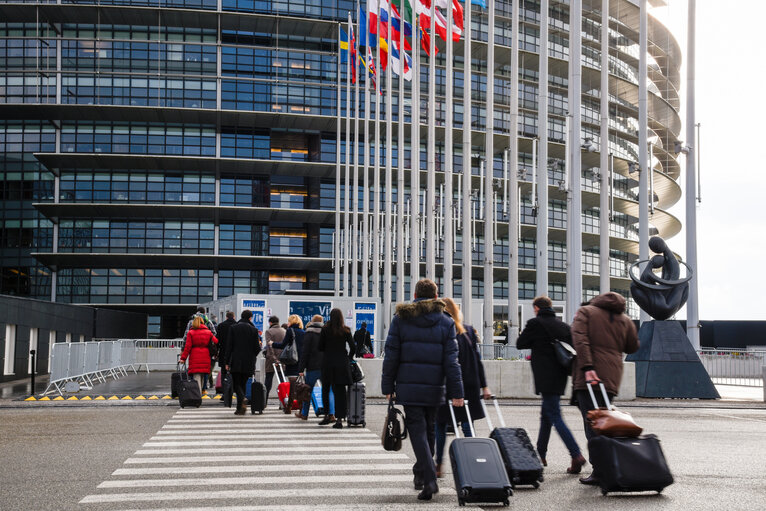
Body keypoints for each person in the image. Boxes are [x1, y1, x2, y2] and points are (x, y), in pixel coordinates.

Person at [381, 278, 464, 501]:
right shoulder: (446, 322)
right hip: (436, 387)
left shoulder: (401, 319)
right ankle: (421, 474)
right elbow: (452, 362)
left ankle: (428, 478)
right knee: (428, 429)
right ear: (436, 297)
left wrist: (388, 386)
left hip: (409, 386)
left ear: (415, 295)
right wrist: (457, 392)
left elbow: (391, 355)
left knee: (418, 430)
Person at [571, 292, 639, 485]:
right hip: (612, 376)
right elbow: (632, 347)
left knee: (594, 424)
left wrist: (588, 367)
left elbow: (579, 339)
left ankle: (601, 470)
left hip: (590, 376)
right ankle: (611, 465)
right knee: (605, 422)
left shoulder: (585, 312)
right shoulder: (625, 319)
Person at [516, 295, 586, 474]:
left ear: (537, 308)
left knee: (554, 415)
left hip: (544, 375)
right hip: (561, 374)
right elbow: (575, 347)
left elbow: (520, 343)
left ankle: (576, 454)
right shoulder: (562, 326)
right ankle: (540, 454)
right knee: (546, 415)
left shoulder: (534, 323)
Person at [434, 297, 492, 479]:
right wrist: (484, 386)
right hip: (470, 385)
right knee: (467, 425)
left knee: (440, 425)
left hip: (449, 384)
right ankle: (473, 461)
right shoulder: (468, 331)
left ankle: (438, 464)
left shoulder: (442, 329)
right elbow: (477, 361)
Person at [318, 308, 355, 429]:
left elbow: (320, 347)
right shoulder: (346, 330)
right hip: (341, 364)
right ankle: (339, 419)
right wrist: (348, 358)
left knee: (325, 390)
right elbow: (353, 347)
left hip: (327, 363)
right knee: (340, 392)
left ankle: (327, 416)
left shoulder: (325, 330)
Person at [224, 309, 263, 415]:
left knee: (236, 383)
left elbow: (229, 346)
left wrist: (226, 362)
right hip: (249, 361)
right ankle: (240, 408)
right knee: (243, 383)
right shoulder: (254, 330)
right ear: (250, 318)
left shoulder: (233, 328)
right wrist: (251, 355)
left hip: (235, 360)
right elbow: (257, 348)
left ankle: (241, 400)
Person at [179, 316, 218, 396]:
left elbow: (187, 347)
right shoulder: (208, 332)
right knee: (203, 377)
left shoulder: (191, 333)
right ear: (203, 323)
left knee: (196, 377)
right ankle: (199, 394)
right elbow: (216, 341)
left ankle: (197, 396)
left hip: (194, 357)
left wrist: (183, 358)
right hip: (206, 356)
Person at [297, 314, 324, 420]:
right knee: (327, 390)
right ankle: (330, 413)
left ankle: (304, 413)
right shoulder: (326, 332)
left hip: (312, 366)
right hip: (324, 366)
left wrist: (301, 368)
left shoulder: (309, 332)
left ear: (312, 321)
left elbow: (305, 352)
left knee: (307, 391)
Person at [263, 316, 286, 406]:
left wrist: (274, 359)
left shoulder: (269, 331)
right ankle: (284, 402)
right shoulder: (284, 331)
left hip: (271, 360)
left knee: (268, 381)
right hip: (283, 359)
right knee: (282, 382)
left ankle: (264, 402)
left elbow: (270, 346)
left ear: (270, 323)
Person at [216, 311, 236, 378]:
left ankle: (224, 386)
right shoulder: (237, 325)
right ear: (234, 317)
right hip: (234, 352)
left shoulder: (221, 325)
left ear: (226, 317)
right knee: (233, 372)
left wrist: (217, 351)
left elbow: (217, 340)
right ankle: (231, 387)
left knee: (223, 371)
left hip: (223, 350)